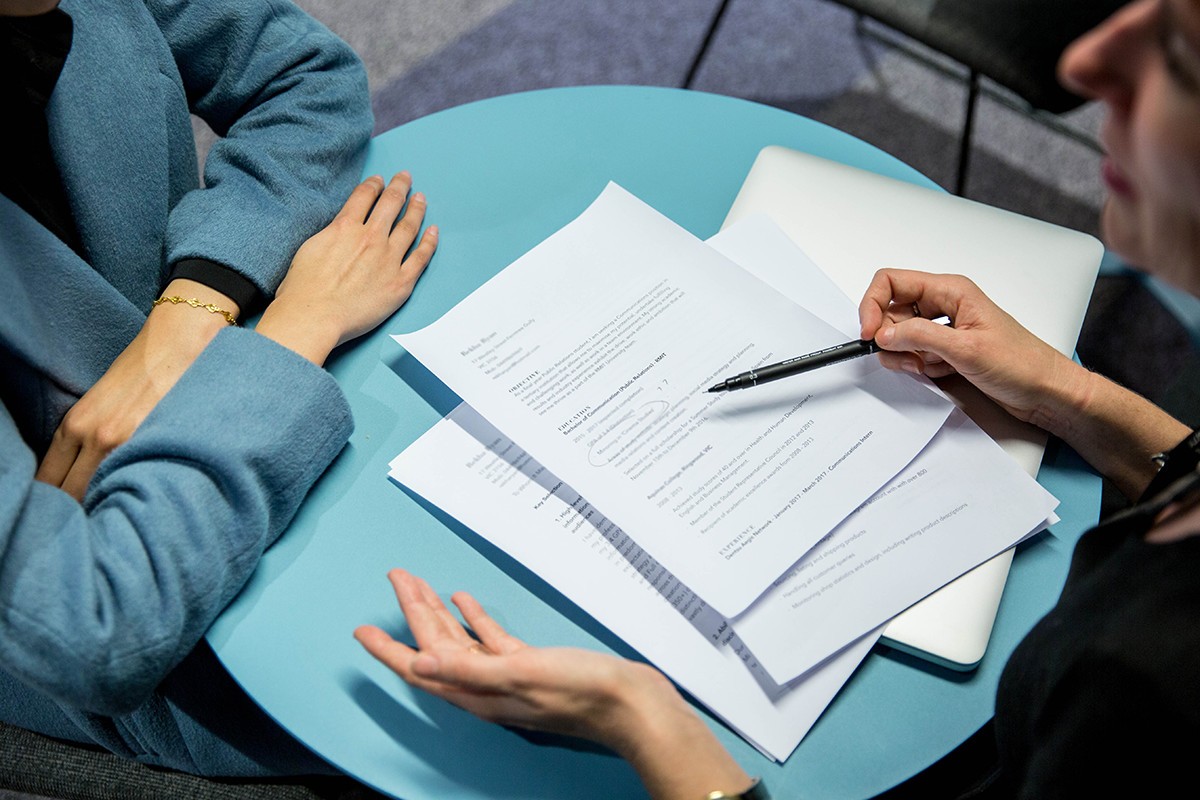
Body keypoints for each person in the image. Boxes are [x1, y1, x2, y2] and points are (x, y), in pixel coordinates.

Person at [356, 0, 1200, 797]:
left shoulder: (1142, 684)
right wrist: (1065, 392)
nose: (1085, 63)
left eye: (1186, 55)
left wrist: (644, 721)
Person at [1, 0, 436, 778]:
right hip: (123, 619)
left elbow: (306, 74)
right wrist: (291, 335)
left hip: (242, 380)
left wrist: (193, 308)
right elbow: (98, 629)